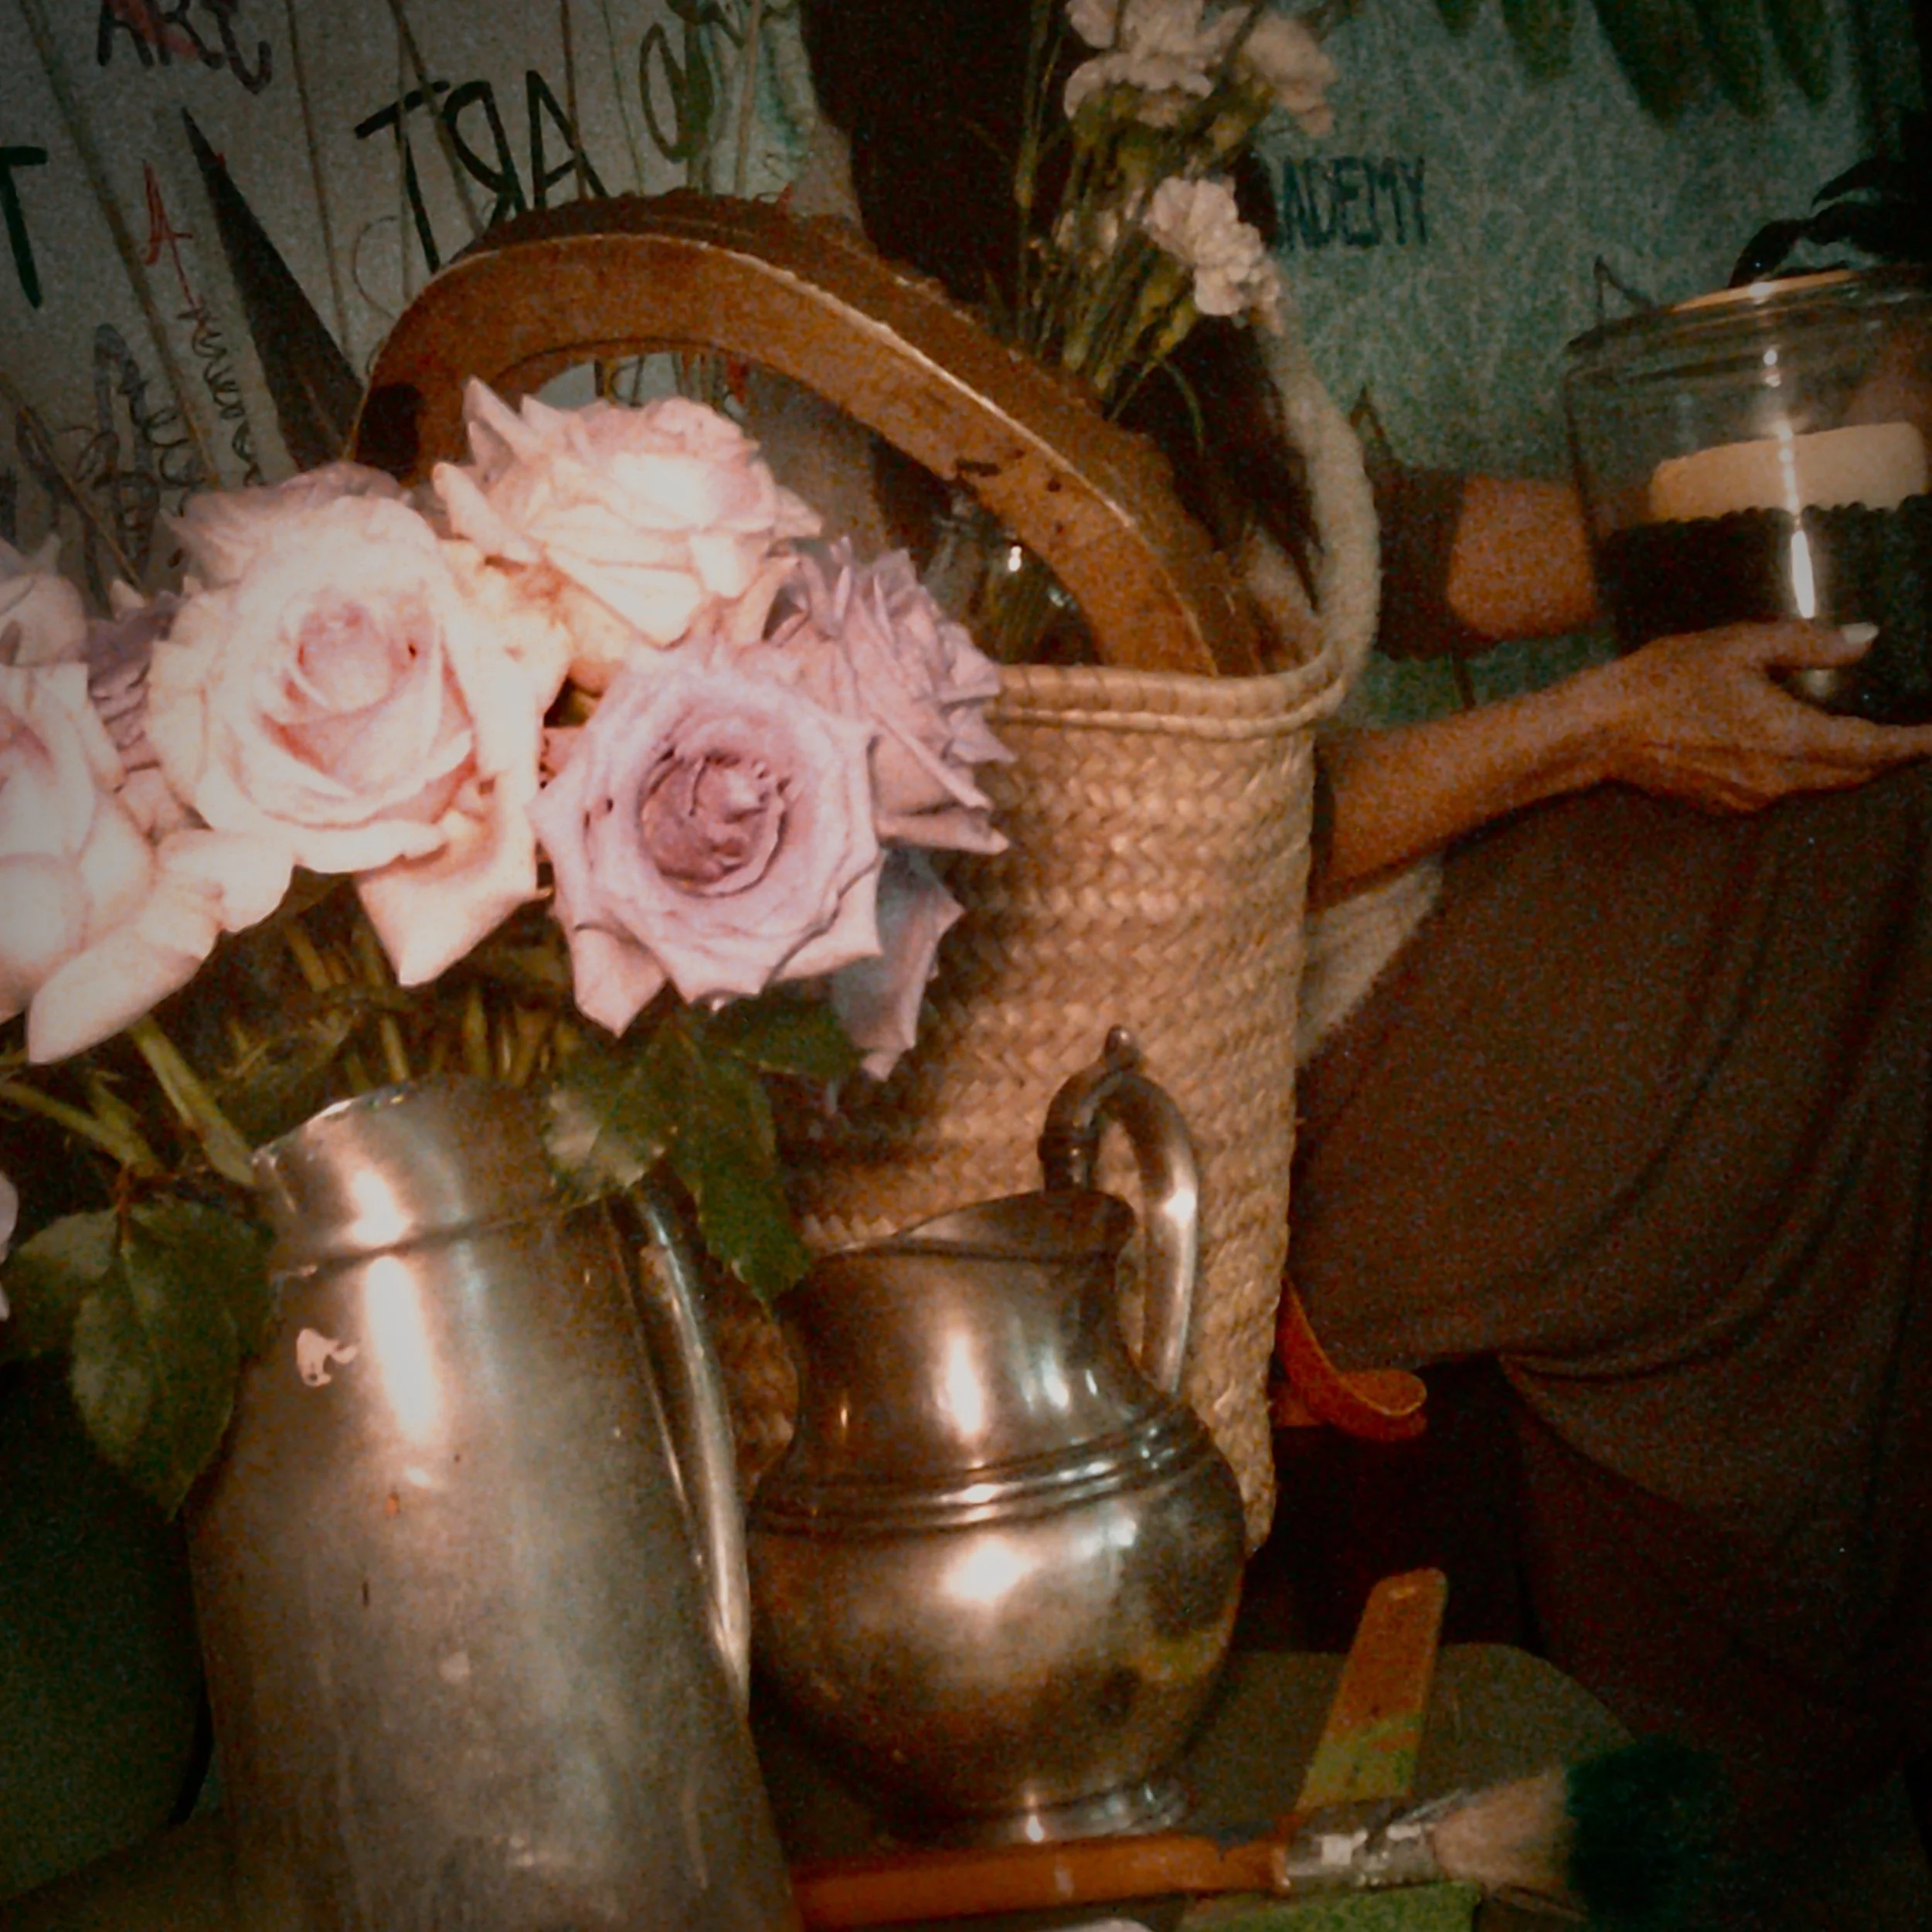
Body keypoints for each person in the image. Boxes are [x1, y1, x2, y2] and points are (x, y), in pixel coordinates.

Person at [795, 0, 1932, 1885]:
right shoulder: (871, 347)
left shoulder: (1124, 243)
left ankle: (1796, 1669)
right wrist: (1600, 720)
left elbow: (1358, 540)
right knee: (1846, 908)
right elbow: (1135, 868)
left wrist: (1775, 471)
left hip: (1371, 958)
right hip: (1209, 1113)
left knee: (1874, 824)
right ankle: (1763, 1734)